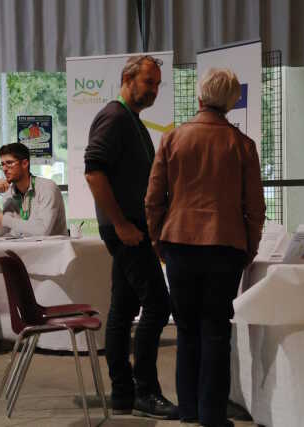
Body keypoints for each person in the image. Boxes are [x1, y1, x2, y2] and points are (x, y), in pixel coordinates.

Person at [145, 68, 266, 427]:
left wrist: (157, 240)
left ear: (200, 97)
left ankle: (188, 409)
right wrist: (250, 245)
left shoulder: (172, 139)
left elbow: (153, 199)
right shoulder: (242, 145)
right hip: (225, 246)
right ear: (232, 102)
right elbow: (255, 207)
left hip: (179, 243)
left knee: (185, 329)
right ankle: (213, 414)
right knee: (216, 328)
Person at [84, 55, 178, 419]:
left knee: (123, 310)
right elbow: (94, 172)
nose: (153, 90)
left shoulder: (132, 121)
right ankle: (145, 389)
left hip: (133, 231)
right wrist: (121, 224)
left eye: (156, 84)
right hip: (126, 232)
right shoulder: (114, 117)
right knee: (158, 305)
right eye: (148, 82)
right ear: (128, 78)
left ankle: (123, 394)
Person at [0, 142, 67, 237]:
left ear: (25, 163)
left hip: (52, 250)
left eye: (9, 163)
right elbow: (1, 233)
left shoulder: (47, 188)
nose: (4, 169)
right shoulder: (9, 194)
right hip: (24, 249)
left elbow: (42, 231)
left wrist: (4, 220)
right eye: (2, 164)